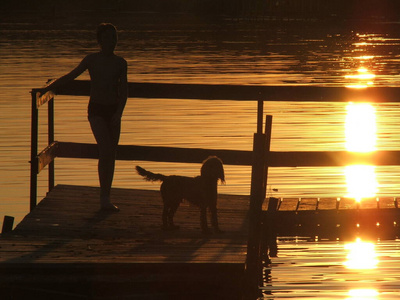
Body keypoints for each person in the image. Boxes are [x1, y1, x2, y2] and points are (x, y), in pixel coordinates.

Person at [39, 23, 128, 212]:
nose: (111, 42)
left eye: (114, 38)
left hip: (114, 110)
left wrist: (119, 114)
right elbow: (70, 76)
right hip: (96, 110)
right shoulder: (91, 60)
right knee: (105, 149)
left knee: (110, 154)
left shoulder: (120, 63)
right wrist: (47, 88)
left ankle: (106, 197)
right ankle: (103, 199)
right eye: (107, 38)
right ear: (100, 41)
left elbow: (124, 91)